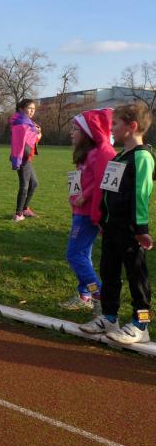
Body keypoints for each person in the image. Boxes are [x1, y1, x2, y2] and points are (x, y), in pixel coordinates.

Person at [79, 102, 154, 344]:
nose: (111, 128)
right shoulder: (120, 156)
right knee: (109, 273)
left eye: (116, 124)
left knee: (136, 277)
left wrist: (141, 229)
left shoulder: (142, 157)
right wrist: (102, 218)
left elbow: (141, 195)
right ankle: (109, 317)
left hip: (130, 230)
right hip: (111, 228)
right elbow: (108, 190)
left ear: (132, 126)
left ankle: (141, 324)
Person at [59, 109, 115, 311]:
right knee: (84, 255)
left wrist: (85, 196)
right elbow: (82, 180)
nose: (71, 132)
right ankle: (85, 296)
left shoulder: (97, 154)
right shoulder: (85, 155)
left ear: (87, 132)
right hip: (79, 212)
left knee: (74, 255)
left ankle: (99, 294)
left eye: (75, 129)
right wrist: (75, 196)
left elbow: (101, 181)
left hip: (86, 215)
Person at [9, 99, 42, 221]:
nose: (32, 111)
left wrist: (36, 133)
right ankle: (18, 214)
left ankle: (24, 209)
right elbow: (20, 143)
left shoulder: (27, 122)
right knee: (25, 185)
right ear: (21, 109)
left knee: (34, 184)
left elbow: (30, 139)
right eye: (29, 108)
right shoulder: (21, 123)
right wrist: (37, 135)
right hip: (23, 158)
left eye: (34, 109)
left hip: (27, 158)